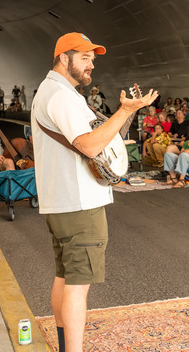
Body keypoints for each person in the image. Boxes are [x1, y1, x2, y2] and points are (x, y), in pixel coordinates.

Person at [31, 32, 158, 352]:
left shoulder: (54, 91)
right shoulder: (60, 95)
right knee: (77, 287)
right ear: (64, 58)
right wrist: (125, 111)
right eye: (84, 58)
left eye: (93, 59)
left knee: (64, 276)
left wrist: (124, 114)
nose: (91, 65)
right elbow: (88, 145)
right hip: (78, 202)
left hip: (62, 200)